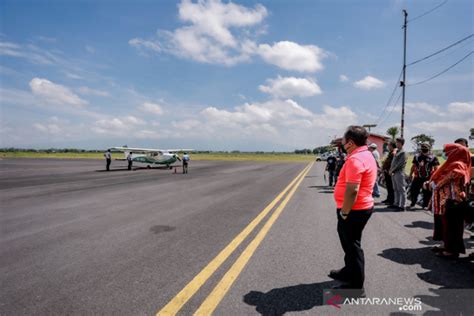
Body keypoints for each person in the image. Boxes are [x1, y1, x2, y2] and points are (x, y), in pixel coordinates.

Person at [329, 125, 377, 294]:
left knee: (352, 246)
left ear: (350, 143)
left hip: (353, 209)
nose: (341, 142)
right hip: (359, 208)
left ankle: (356, 286)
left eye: (343, 139)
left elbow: (352, 190)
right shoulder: (365, 154)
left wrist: (344, 212)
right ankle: (348, 271)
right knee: (349, 243)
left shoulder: (356, 159)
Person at [427, 143, 471, 258]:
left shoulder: (458, 165)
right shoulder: (453, 163)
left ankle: (451, 251)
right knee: (446, 225)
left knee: (453, 227)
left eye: (447, 151)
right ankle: (446, 245)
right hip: (447, 201)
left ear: (454, 152)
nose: (444, 154)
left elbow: (451, 176)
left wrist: (435, 184)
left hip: (453, 200)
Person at [408, 143, 439, 209]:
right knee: (413, 190)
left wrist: (435, 178)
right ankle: (413, 203)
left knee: (427, 192)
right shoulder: (417, 156)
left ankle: (425, 205)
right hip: (417, 177)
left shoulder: (433, 157)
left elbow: (436, 168)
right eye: (423, 147)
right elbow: (413, 166)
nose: (424, 149)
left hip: (428, 178)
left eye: (425, 148)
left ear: (429, 148)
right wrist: (410, 175)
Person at [389, 138, 407, 211]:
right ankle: (396, 203)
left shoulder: (403, 152)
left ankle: (402, 206)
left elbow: (400, 164)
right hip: (394, 172)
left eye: (397, 142)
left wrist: (392, 170)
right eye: (396, 142)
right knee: (395, 189)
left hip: (399, 172)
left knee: (401, 189)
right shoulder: (397, 151)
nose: (396, 144)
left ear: (401, 143)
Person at [382, 141, 397, 205]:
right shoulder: (391, 152)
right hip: (387, 171)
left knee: (391, 187)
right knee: (388, 186)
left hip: (389, 172)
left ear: (392, 146)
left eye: (389, 145)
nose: (388, 146)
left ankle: (391, 200)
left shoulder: (393, 153)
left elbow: (392, 163)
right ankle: (388, 199)